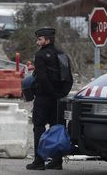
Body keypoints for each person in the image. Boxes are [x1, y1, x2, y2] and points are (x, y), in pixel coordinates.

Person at [26, 27, 63, 170]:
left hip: (43, 97)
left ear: (47, 40)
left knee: (39, 127)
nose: (37, 42)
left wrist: (47, 92)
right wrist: (60, 93)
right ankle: (57, 161)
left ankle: (39, 161)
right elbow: (67, 76)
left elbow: (41, 77)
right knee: (56, 128)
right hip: (57, 98)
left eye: (40, 39)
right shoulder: (61, 54)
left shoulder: (40, 55)